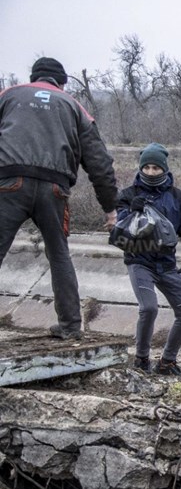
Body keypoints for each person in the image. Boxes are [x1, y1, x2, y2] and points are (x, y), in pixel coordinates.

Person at [0, 57, 119, 340]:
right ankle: (70, 325)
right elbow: (99, 163)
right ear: (62, 82)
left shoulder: (9, 95)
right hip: (55, 189)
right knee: (59, 255)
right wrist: (111, 208)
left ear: (33, 77)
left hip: (9, 183)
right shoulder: (74, 107)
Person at [116, 143, 181, 374]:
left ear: (165, 169)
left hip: (166, 264)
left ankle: (167, 361)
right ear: (141, 168)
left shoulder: (177, 196)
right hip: (139, 260)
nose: (151, 172)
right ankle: (141, 359)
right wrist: (130, 210)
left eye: (156, 168)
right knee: (149, 308)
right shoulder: (128, 194)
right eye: (147, 167)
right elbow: (118, 228)